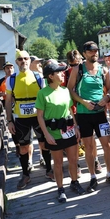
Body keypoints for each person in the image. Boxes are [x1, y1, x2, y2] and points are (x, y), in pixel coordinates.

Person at [67, 41, 110, 193]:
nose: (94, 53)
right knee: (89, 147)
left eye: (96, 50)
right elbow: (70, 90)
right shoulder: (78, 69)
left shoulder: (104, 70)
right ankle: (92, 176)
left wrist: (106, 98)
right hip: (84, 115)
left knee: (107, 145)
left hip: (100, 114)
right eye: (91, 51)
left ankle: (109, 174)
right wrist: (83, 102)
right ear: (84, 54)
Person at [36, 60, 85, 202]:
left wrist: (76, 127)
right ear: (51, 76)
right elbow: (39, 116)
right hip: (54, 133)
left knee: (73, 160)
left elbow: (70, 110)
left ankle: (75, 183)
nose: (63, 74)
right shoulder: (43, 93)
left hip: (69, 130)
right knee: (57, 163)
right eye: (59, 72)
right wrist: (46, 135)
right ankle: (60, 189)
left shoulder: (65, 91)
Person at [5, 50, 54, 190]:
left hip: (38, 116)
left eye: (26, 58)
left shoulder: (38, 77)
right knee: (24, 147)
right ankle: (25, 174)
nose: (23, 61)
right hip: (21, 118)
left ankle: (49, 170)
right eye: (20, 59)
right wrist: (9, 121)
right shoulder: (11, 79)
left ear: (29, 60)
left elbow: (46, 97)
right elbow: (8, 102)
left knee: (44, 144)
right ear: (16, 62)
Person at [29, 55, 46, 168]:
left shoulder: (40, 77)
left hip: (39, 111)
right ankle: (29, 162)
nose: (40, 64)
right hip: (24, 114)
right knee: (28, 139)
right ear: (30, 64)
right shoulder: (19, 77)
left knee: (41, 137)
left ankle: (42, 157)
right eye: (37, 62)